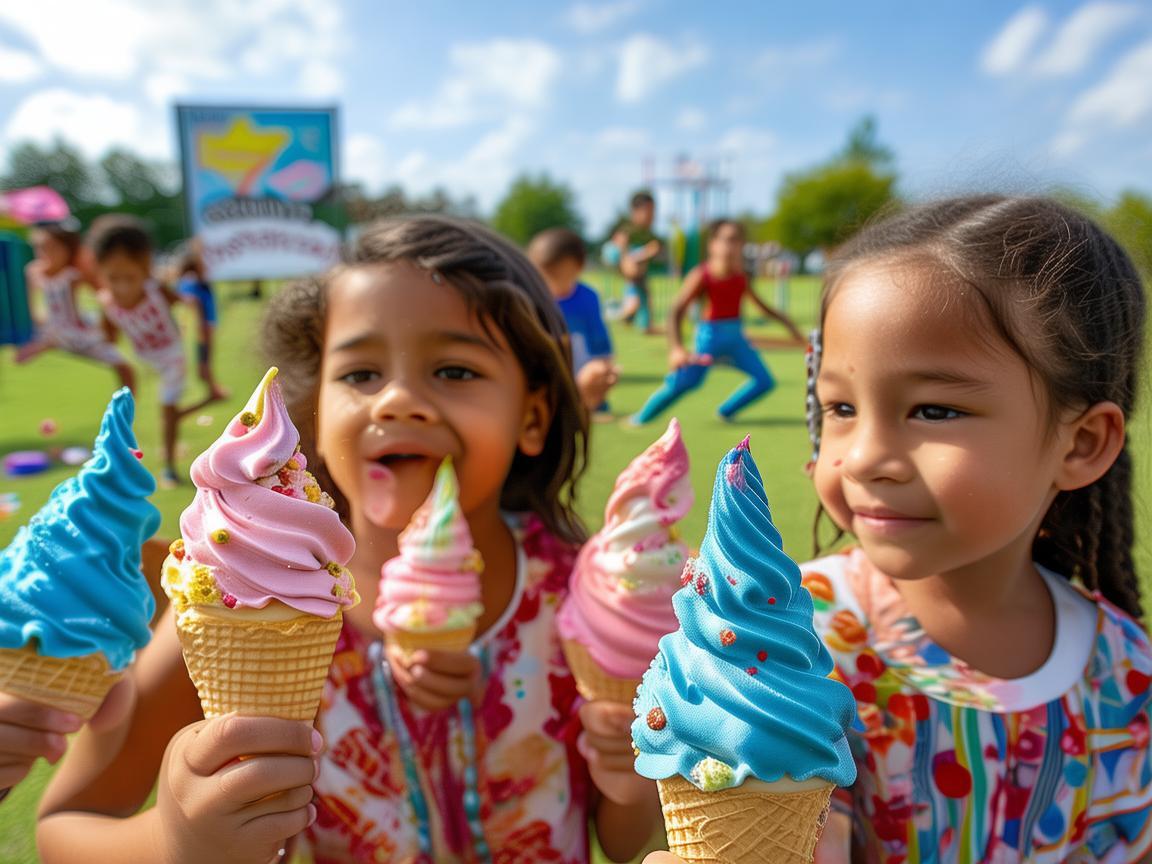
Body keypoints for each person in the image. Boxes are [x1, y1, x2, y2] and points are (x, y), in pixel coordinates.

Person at [37, 216, 662, 864]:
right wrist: (173, 839)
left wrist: (626, 778)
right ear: (313, 410)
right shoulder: (240, 596)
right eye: (361, 374)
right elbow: (64, 828)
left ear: (532, 416)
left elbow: (622, 842)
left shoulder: (584, 600)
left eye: (452, 370)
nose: (395, 400)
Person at [646, 195, 1152, 864]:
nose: (863, 458)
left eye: (934, 410)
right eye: (841, 408)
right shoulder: (795, 647)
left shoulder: (1127, 677)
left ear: (1082, 442)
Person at [88, 216, 221, 487]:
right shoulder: (106, 302)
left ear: (146, 269)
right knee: (124, 409)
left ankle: (169, 467)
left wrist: (196, 322)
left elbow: (190, 306)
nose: (123, 287)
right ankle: (118, 461)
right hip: (142, 359)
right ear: (100, 272)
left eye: (130, 277)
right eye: (114, 278)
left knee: (167, 411)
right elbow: (108, 339)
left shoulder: (156, 290)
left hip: (171, 356)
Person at [631, 219, 803, 425]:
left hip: (736, 338)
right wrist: (676, 348)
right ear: (713, 244)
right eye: (725, 240)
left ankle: (725, 412)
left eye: (736, 240)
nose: (730, 246)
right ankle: (640, 419)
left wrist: (791, 327)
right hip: (710, 338)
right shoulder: (702, 274)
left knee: (765, 381)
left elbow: (764, 307)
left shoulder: (741, 276)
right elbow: (676, 311)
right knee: (686, 382)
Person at [14, 220, 134, 391]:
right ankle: (42, 345)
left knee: (124, 366)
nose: (45, 253)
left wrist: (107, 311)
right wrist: (37, 322)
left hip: (76, 329)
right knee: (42, 340)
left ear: (67, 249)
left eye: (53, 248)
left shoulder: (74, 273)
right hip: (49, 329)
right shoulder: (33, 271)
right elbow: (29, 305)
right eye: (40, 247)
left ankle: (125, 410)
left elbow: (102, 292)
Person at [528, 227, 619, 417]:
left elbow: (599, 336)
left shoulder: (587, 298)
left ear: (577, 268)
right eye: (542, 277)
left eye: (555, 276)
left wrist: (604, 364)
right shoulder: (531, 298)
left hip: (581, 365)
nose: (548, 284)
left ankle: (592, 404)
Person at [173, 240, 227, 403]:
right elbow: (189, 302)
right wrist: (199, 326)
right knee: (204, 360)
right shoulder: (190, 281)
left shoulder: (199, 280)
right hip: (201, 327)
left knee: (205, 360)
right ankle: (213, 389)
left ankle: (213, 388)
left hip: (206, 326)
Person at [611, 191, 662, 334]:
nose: (651, 216)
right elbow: (619, 246)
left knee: (645, 295)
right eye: (648, 211)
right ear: (635, 212)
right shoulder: (629, 229)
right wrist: (629, 261)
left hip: (638, 270)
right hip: (624, 261)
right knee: (636, 295)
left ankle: (645, 324)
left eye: (653, 212)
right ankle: (626, 311)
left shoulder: (648, 233)